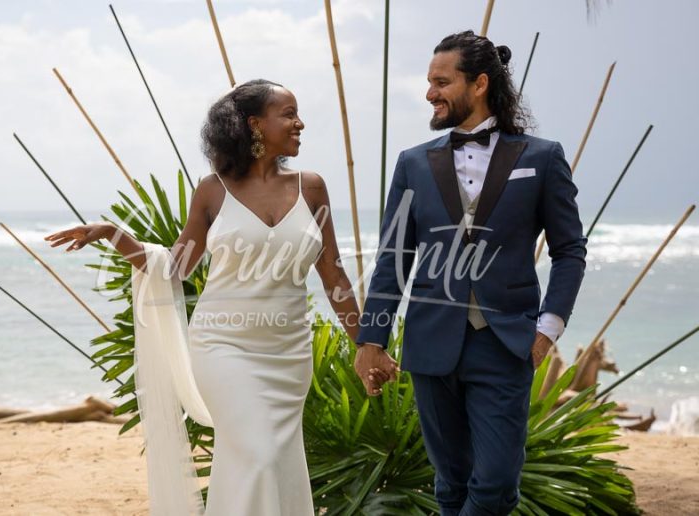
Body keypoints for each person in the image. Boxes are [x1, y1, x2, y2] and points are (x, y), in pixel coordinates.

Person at [44, 79, 368, 515]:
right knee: (257, 453)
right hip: (223, 347)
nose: (300, 123)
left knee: (270, 462)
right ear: (254, 124)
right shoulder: (213, 190)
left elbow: (333, 273)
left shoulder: (311, 188)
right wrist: (114, 235)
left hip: (288, 354)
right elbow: (176, 267)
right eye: (288, 113)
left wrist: (367, 343)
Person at [354, 31, 587, 516]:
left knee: (496, 481)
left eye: (441, 82)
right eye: (428, 82)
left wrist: (546, 329)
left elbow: (569, 251)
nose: (429, 93)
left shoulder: (541, 158)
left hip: (505, 343)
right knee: (451, 482)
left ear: (479, 84)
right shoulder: (413, 163)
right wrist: (371, 341)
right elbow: (393, 257)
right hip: (430, 342)